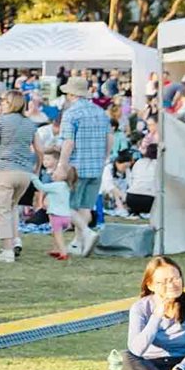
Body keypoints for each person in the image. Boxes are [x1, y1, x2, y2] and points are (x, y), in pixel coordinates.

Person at [0, 90, 44, 263]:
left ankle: (7, 251)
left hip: (5, 170)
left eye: (4, 101)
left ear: (11, 103)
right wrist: (36, 170)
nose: (1, 104)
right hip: (24, 173)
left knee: (3, 210)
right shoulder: (30, 124)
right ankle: (16, 240)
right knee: (13, 207)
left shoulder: (0, 121)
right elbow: (40, 150)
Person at [56, 77, 112, 257]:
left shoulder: (71, 114)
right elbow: (109, 138)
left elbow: (68, 142)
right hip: (96, 165)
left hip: (76, 166)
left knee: (65, 203)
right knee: (85, 206)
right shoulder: (101, 112)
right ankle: (79, 243)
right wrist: (104, 157)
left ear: (71, 94)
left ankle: (86, 234)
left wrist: (61, 165)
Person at [124, 257, 185, 370]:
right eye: (164, 282)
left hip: (184, 365)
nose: (172, 285)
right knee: (125, 357)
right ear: (150, 285)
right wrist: (156, 317)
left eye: (176, 279)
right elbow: (136, 350)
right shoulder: (140, 308)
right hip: (152, 366)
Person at [32, 148, 77, 260]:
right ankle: (56, 250)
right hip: (66, 216)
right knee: (57, 233)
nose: (54, 172)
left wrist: (33, 177)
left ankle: (63, 253)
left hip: (56, 216)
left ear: (63, 176)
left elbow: (41, 187)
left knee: (58, 235)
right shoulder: (67, 187)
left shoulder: (56, 185)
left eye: (57, 171)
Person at [126, 145, 158, 216]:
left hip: (131, 199)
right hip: (150, 200)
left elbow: (131, 180)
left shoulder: (139, 162)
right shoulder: (160, 164)